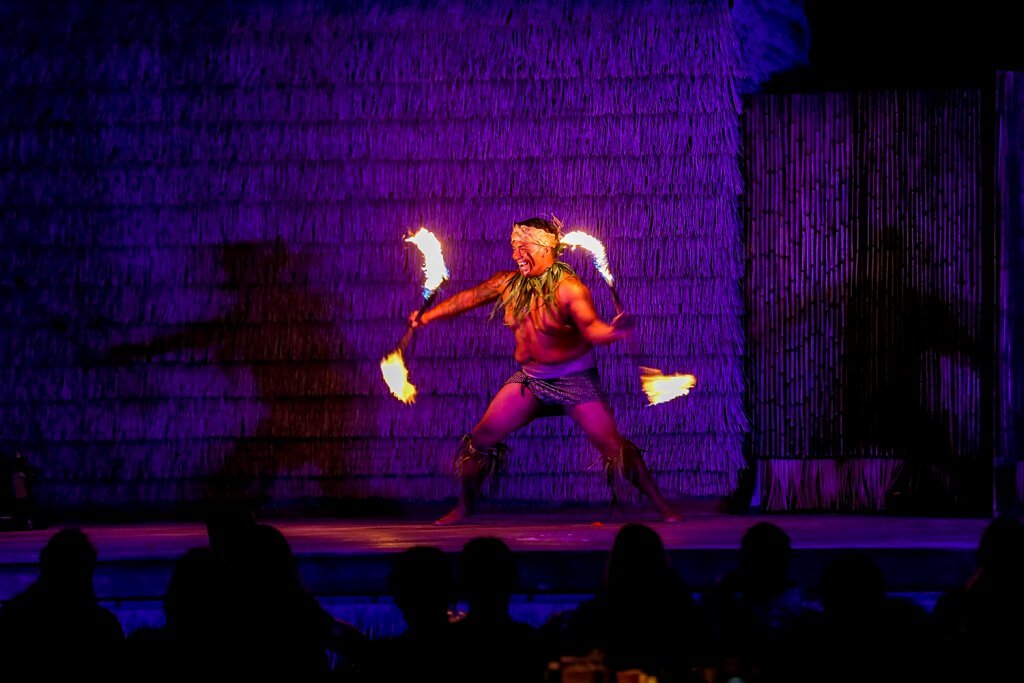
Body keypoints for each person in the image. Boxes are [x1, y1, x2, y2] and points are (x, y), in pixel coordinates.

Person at [410, 216, 677, 524]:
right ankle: (464, 506)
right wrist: (426, 317)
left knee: (613, 447)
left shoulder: (570, 290)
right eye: (513, 247)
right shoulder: (508, 283)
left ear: (545, 248)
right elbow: (470, 297)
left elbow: (592, 329)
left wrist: (614, 332)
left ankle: (662, 506)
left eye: (523, 248)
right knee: (479, 441)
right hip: (531, 381)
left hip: (574, 380)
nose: (515, 255)